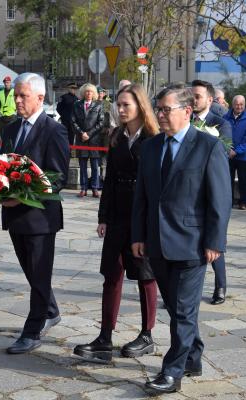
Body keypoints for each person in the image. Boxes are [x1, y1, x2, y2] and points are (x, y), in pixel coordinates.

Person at [131, 85, 231, 395]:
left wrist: (215, 242)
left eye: (165, 109)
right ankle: (193, 358)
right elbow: (142, 197)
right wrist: (138, 235)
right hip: (157, 242)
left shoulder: (208, 147)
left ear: (187, 111)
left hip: (193, 242)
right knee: (176, 308)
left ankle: (171, 372)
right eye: (158, 109)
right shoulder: (150, 148)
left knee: (184, 312)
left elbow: (220, 200)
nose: (159, 114)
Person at [73, 84, 160, 364]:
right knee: (111, 275)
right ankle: (104, 337)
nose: (121, 110)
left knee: (145, 275)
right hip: (118, 214)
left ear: (140, 107)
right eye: (119, 105)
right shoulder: (117, 137)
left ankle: (147, 335)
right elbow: (109, 180)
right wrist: (103, 217)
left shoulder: (152, 139)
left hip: (142, 215)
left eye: (127, 105)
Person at [0, 72, 70, 354]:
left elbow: (57, 177)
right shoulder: (10, 129)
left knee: (39, 275)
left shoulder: (54, 130)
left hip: (40, 217)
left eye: (23, 96)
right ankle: (50, 311)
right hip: (15, 216)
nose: (17, 100)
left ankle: (32, 331)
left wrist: (21, 197)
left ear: (40, 98)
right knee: (31, 272)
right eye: (16, 95)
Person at [191, 79, 231, 305]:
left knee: (215, 239)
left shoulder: (220, 124)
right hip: (191, 192)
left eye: (198, 96)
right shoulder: (185, 120)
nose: (194, 100)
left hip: (213, 190)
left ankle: (220, 285)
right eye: (191, 96)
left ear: (209, 99)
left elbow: (225, 150)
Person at [72, 83, 105, 198]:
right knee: (82, 166)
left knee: (95, 166)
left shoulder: (98, 105)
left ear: (94, 93)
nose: (89, 93)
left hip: (94, 140)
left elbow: (101, 122)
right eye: (86, 91)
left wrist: (89, 134)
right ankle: (84, 188)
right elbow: (73, 121)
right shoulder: (77, 105)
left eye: (91, 92)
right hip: (81, 140)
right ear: (83, 93)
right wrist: (81, 133)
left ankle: (95, 188)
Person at [224, 95, 246, 210]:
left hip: (243, 157)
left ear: (244, 104)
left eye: (241, 104)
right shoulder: (225, 117)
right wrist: (228, 149)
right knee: (228, 180)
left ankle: (243, 202)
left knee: (243, 180)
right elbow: (222, 135)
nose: (239, 106)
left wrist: (236, 151)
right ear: (232, 105)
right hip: (228, 155)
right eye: (237, 104)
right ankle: (229, 201)